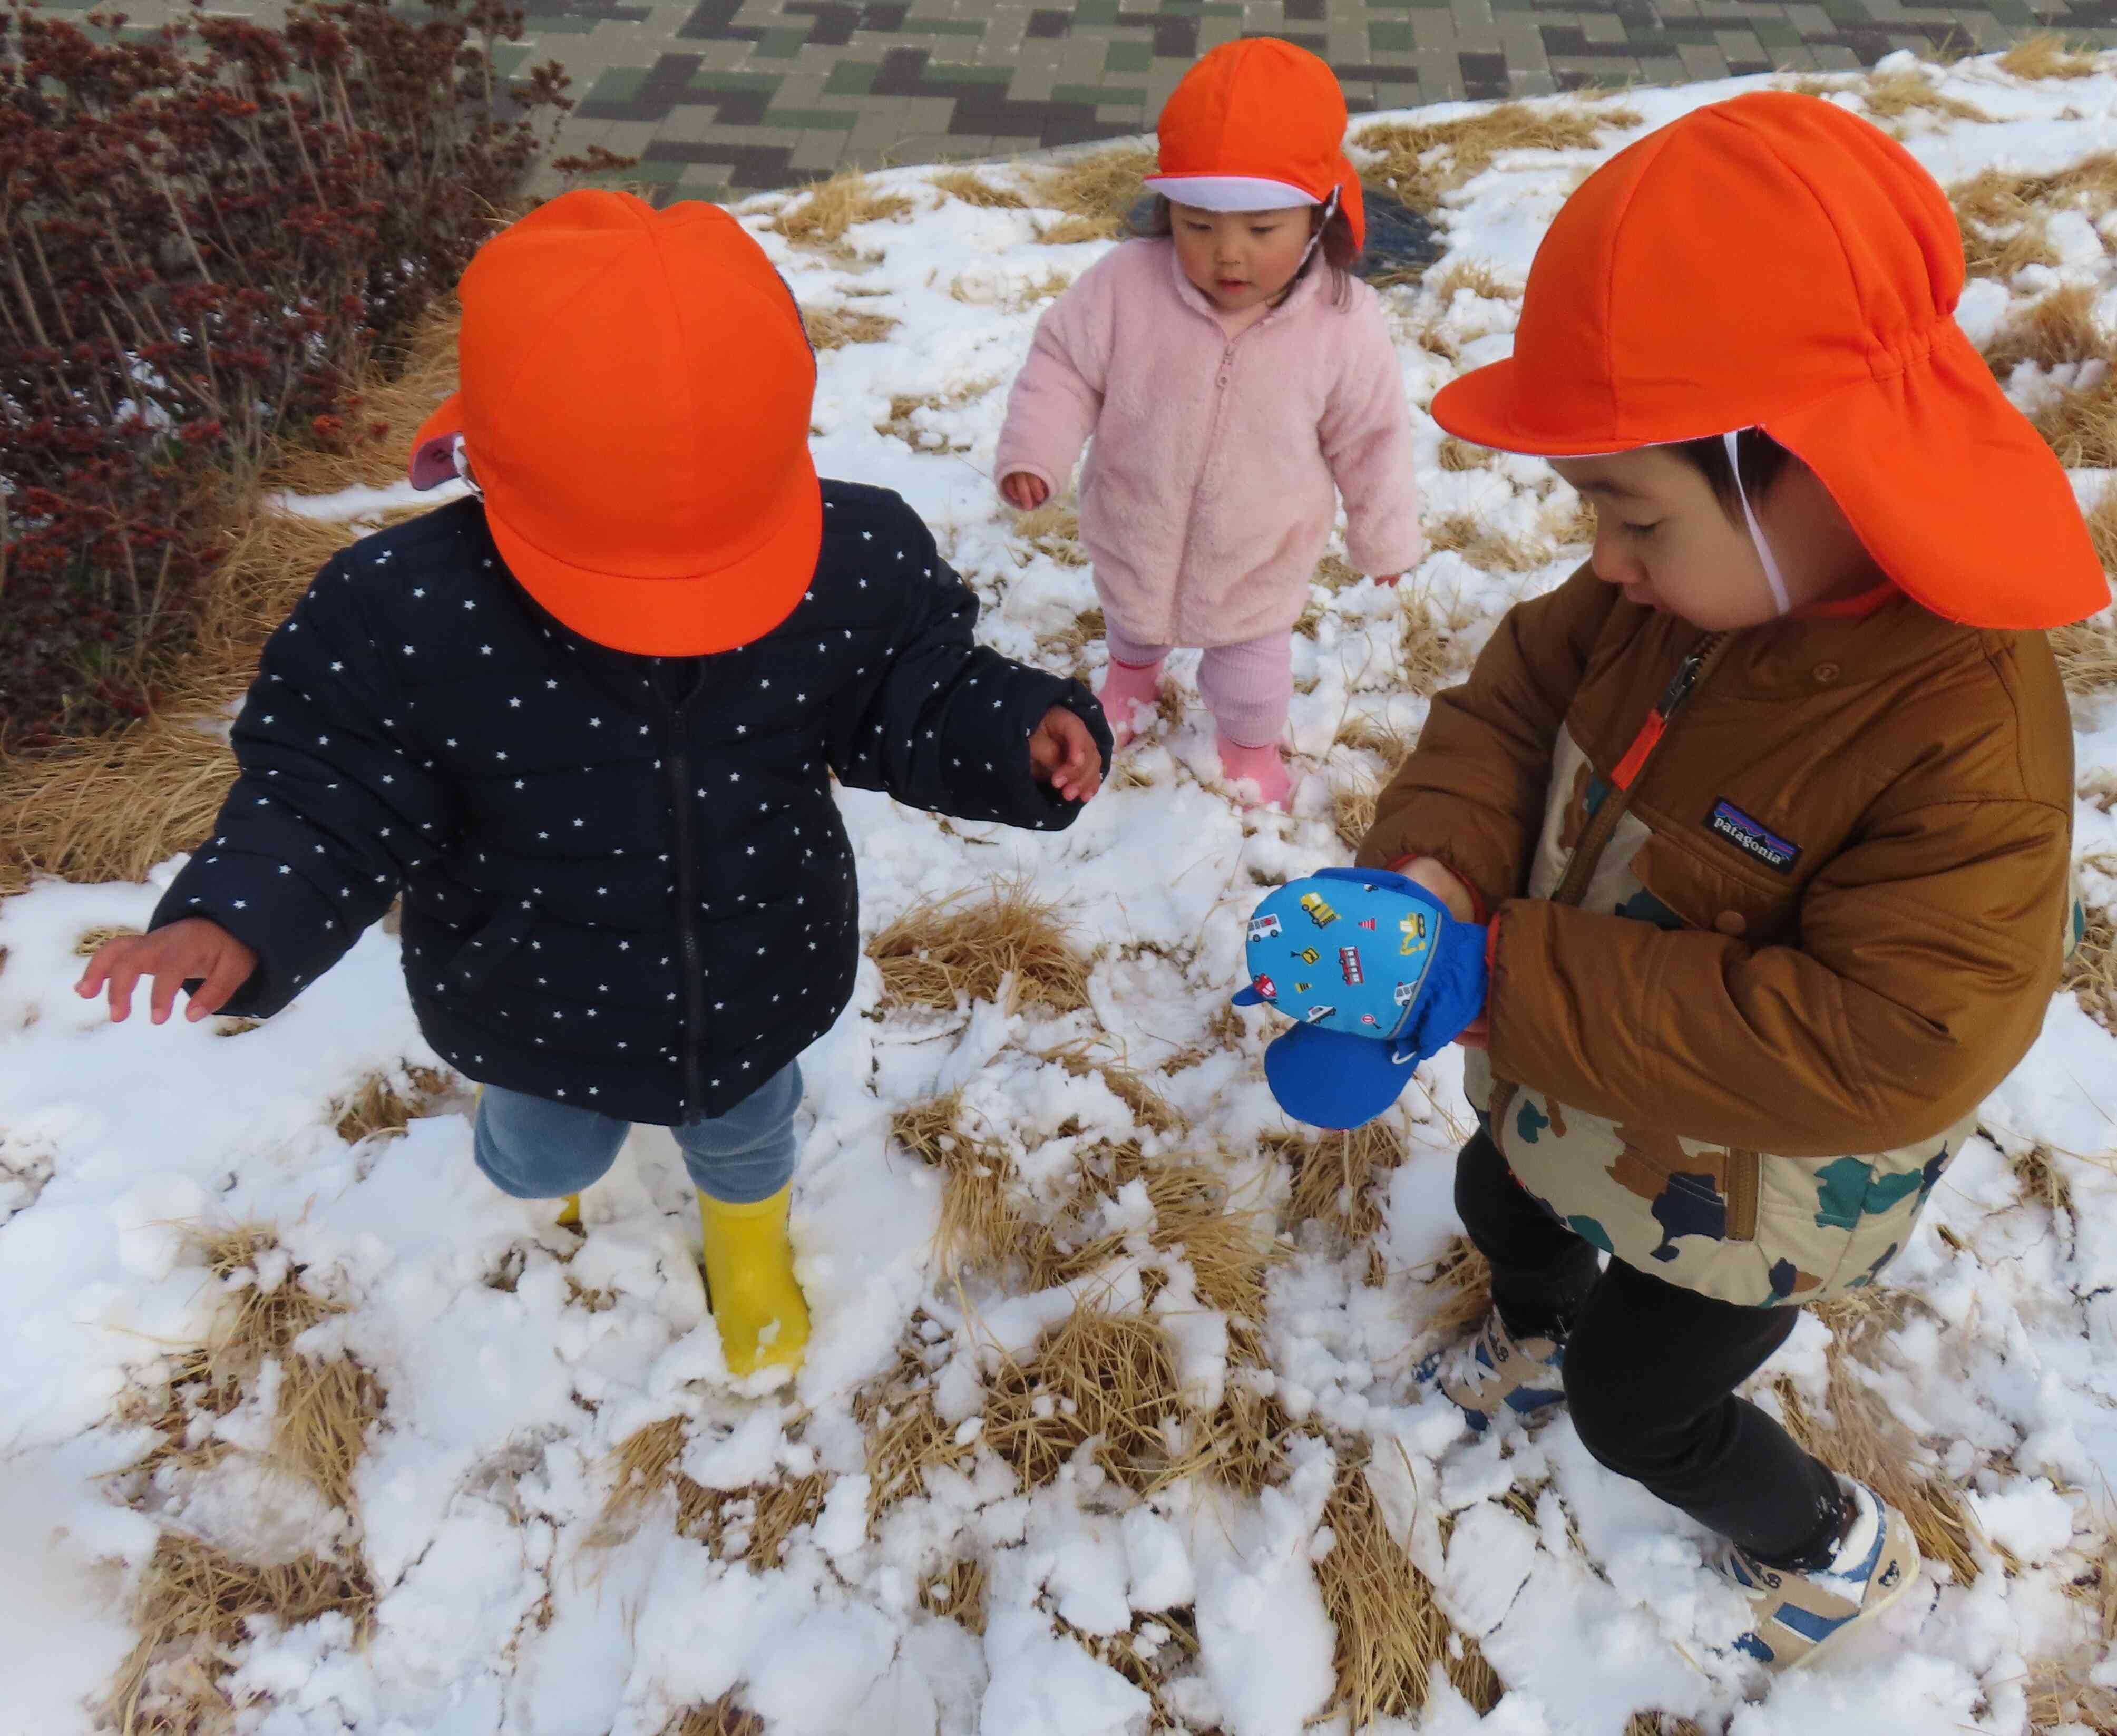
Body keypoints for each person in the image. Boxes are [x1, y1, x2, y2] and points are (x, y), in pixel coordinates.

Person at [76, 190, 1111, 1381]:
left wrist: (1012, 727)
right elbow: (331, 786)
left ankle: (748, 1240)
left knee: (747, 1133)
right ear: (488, 460)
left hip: (758, 959)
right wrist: (235, 912)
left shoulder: (852, 562)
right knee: (540, 1152)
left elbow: (908, 690)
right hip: (531, 990)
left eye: (712, 574)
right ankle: (562, 1198)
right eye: (624, 582)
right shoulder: (407, 615)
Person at [1354, 93, 2102, 1668]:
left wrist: (1500, 977)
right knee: (1501, 1189)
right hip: (1579, 1075)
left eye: (1629, 511)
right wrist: (1433, 874)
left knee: (1647, 1400)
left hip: (1760, 1185)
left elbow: (1888, 1040)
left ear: (1809, 465)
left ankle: (1822, 1545)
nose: (1603, 559)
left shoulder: (1962, 730)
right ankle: (1536, 1322)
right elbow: (1509, 702)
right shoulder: (1684, 585)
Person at [993, 38, 1423, 811]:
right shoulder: (1125, 287)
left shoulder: (1340, 322)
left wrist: (1383, 535)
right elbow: (1063, 365)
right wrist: (1036, 452)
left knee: (1250, 676)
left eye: (1262, 230)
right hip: (1136, 521)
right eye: (1197, 225)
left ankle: (1248, 746)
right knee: (1129, 614)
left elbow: (1372, 437)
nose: (1228, 254)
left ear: (1318, 211)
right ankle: (1131, 673)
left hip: (1256, 555)